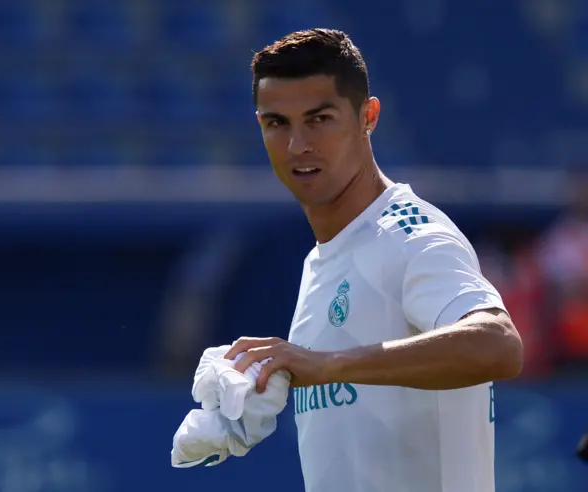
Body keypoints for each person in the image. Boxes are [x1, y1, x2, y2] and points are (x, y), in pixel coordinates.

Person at [224, 29, 523, 492]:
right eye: (277, 123)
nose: (297, 145)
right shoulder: (324, 259)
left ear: (369, 116)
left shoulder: (410, 234)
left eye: (319, 119)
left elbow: (499, 344)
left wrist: (328, 364)